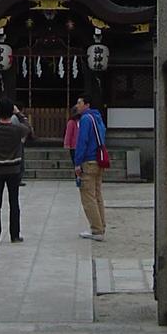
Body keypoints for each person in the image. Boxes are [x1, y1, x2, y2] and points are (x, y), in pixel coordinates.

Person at [0, 97, 32, 243]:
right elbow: (27, 126)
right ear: (11, 112)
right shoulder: (17, 129)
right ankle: (15, 235)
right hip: (13, 168)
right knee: (14, 202)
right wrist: (18, 113)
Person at [73, 94, 106, 241]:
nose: (77, 106)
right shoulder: (97, 118)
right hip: (98, 159)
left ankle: (96, 229)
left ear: (87, 105)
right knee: (97, 195)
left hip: (88, 160)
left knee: (88, 197)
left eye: (79, 103)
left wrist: (77, 162)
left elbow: (82, 141)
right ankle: (101, 226)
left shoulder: (86, 119)